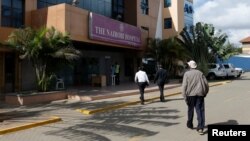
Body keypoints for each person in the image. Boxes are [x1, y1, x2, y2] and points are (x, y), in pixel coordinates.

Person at [182, 60, 209, 135]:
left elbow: (184, 86)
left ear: (190, 66)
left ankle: (190, 124)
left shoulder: (187, 74)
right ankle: (200, 127)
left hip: (190, 95)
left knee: (190, 110)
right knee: (200, 110)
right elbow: (206, 84)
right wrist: (205, 93)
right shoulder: (200, 73)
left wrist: (184, 96)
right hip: (200, 95)